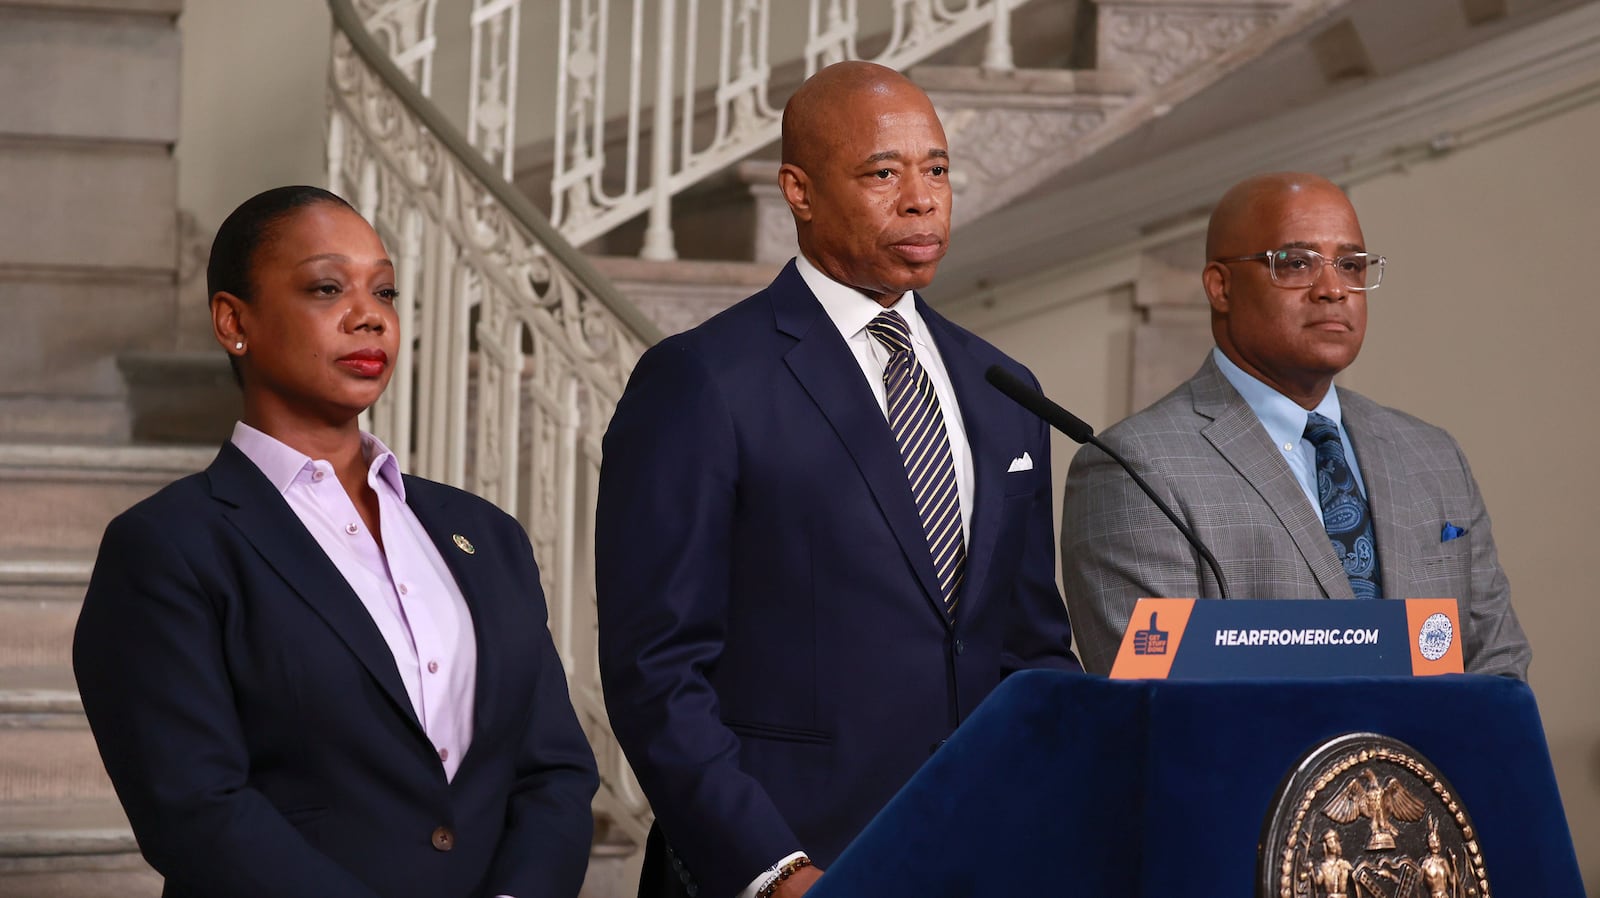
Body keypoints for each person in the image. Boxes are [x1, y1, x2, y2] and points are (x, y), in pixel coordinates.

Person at [595, 61, 1078, 898]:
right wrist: (771, 869)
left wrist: (1065, 807)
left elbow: (1029, 647)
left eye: (936, 169)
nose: (922, 199)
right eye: (883, 174)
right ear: (799, 190)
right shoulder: (703, 380)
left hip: (982, 853)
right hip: (796, 866)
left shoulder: (1002, 384)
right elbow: (656, 667)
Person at [72, 186, 599, 898]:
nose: (369, 317)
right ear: (234, 321)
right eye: (327, 288)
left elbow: (553, 769)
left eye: (384, 291)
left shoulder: (485, 534)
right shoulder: (167, 548)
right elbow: (194, 810)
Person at [1060, 172, 1530, 678]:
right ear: (1221, 286)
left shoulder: (1432, 455)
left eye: (1350, 265)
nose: (1333, 290)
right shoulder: (1132, 470)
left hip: (1429, 761)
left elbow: (1497, 667)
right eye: (1296, 263)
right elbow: (1159, 706)